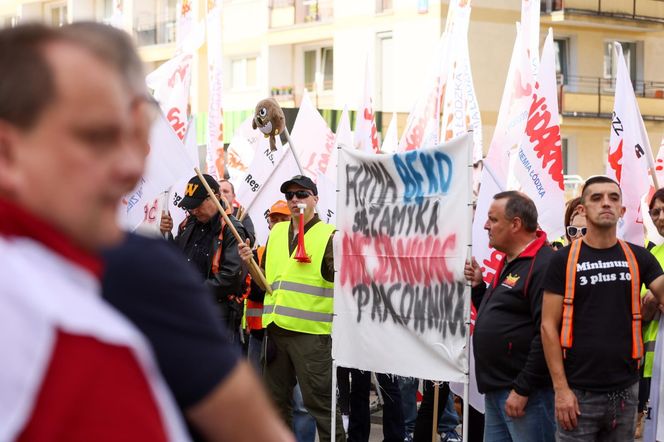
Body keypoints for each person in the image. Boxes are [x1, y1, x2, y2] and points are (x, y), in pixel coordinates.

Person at [60, 22, 293, 442]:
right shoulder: (156, 254)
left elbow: (226, 280)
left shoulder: (222, 232)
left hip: (221, 320)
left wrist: (179, 289)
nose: (132, 164)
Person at [0, 23, 187, 439]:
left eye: (131, 136)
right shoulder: (85, 349)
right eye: (95, 138)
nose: (131, 167)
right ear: (8, 153)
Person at [541, 176, 664, 440]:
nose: (605, 203)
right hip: (577, 393)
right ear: (583, 210)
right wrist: (561, 390)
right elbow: (548, 327)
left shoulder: (639, 256)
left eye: (613, 198)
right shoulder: (562, 260)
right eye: (596, 198)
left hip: (626, 391)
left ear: (622, 210)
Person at [238, 175, 346, 442]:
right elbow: (265, 282)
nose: (295, 200)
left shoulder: (330, 236)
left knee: (321, 407)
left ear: (315, 200)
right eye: (290, 196)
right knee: (275, 406)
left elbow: (345, 283)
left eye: (302, 194)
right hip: (275, 334)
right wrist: (248, 263)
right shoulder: (275, 233)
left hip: (311, 336)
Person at [465, 191, 555, 442]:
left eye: (493, 220)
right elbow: (504, 315)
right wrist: (479, 289)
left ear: (515, 224)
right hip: (498, 391)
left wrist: (523, 388)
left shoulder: (543, 263)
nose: (485, 225)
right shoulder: (510, 261)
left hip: (525, 394)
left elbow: (546, 332)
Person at [162, 174, 248, 343]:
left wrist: (193, 291)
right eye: (190, 207)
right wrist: (166, 234)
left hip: (215, 316)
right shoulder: (188, 224)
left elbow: (230, 277)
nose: (193, 210)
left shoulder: (232, 229)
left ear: (215, 197)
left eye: (198, 205)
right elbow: (176, 259)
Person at [636, 188, 664, 438]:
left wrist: (655, 297)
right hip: (652, 364)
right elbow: (644, 310)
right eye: (655, 212)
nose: (660, 218)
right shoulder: (652, 254)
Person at [220, 178, 256, 246]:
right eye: (219, 191)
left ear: (233, 196)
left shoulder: (242, 215)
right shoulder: (210, 215)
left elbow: (250, 240)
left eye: (225, 191)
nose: (222, 194)